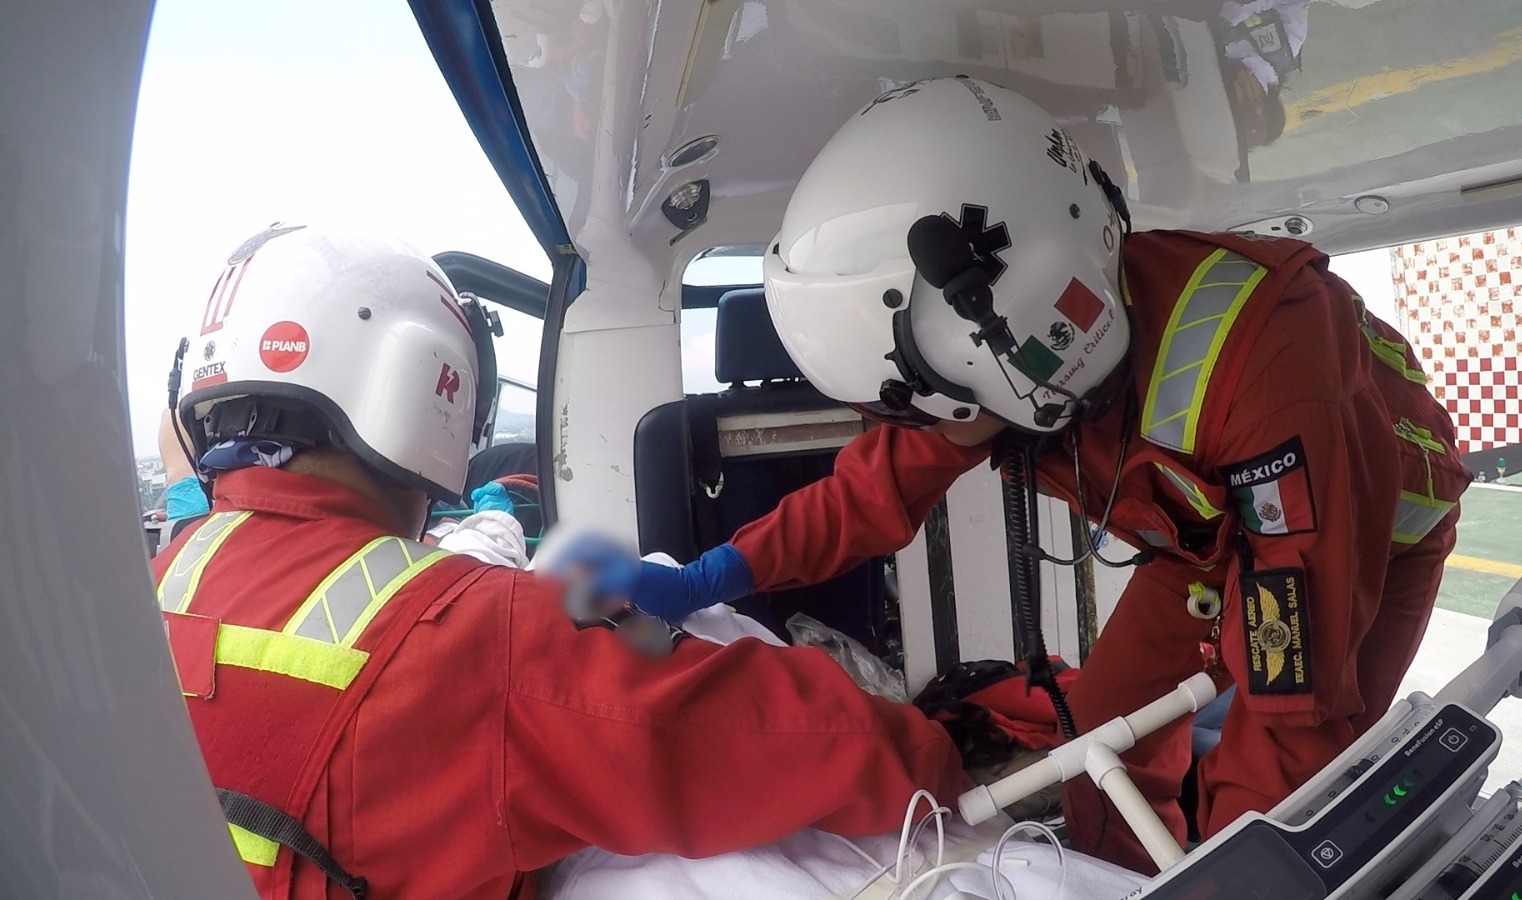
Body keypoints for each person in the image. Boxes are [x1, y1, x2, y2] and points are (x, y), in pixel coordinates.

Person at [569, 77, 1472, 873]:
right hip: (1201, 545)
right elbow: (869, 494)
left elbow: (1291, 697)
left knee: (1311, 762)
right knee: (1102, 735)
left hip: (1368, 542)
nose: (947, 428)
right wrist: (718, 573)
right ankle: (1113, 874)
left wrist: (1232, 869)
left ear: (1030, 322)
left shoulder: (1262, 364)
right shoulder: (1001, 368)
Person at [151, 225, 968, 898]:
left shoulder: (161, 582)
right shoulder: (482, 628)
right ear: (421, 387)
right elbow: (784, 735)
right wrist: (936, 753)